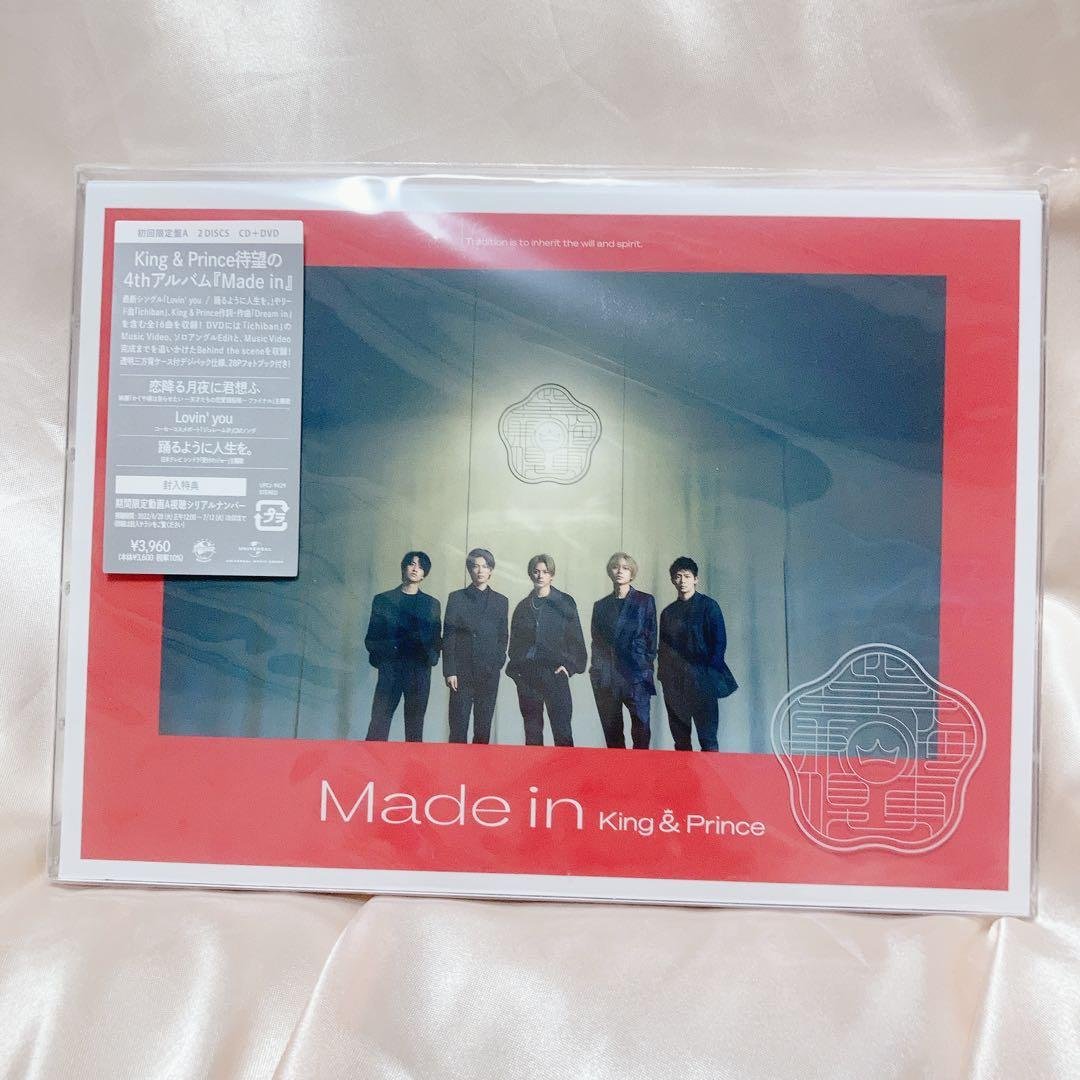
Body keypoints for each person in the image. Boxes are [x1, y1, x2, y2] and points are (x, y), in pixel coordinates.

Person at [506, 553, 587, 747]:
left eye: (545, 572)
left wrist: (569, 667)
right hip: (528, 676)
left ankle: (565, 769)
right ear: (530, 574)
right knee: (532, 735)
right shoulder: (523, 606)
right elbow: (514, 645)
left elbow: (576, 640)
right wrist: (519, 673)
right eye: (536, 571)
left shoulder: (565, 602)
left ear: (552, 575)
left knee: (563, 734)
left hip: (555, 673)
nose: (540, 576)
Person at [657, 556, 738, 752]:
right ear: (672, 580)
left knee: (708, 740)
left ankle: (709, 774)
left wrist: (708, 676)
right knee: (681, 743)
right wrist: (666, 681)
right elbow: (664, 650)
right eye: (678, 576)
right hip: (676, 686)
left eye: (687, 576)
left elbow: (719, 644)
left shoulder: (709, 606)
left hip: (703, 682)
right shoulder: (668, 613)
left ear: (696, 579)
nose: (682, 581)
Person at [364, 551, 441, 742]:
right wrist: (384, 661)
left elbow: (436, 638)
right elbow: (372, 637)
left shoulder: (431, 603)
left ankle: (412, 764)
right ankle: (371, 762)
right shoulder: (383, 599)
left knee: (415, 729)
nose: (415, 569)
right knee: (378, 724)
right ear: (404, 567)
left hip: (419, 672)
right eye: (412, 564)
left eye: (420, 567)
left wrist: (430, 659)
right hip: (391, 669)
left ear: (424, 574)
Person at [589, 552, 657, 749]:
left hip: (636, 675)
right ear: (610, 572)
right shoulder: (601, 606)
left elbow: (651, 638)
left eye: (625, 568)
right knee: (613, 737)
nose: (620, 571)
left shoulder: (645, 601)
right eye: (616, 567)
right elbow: (597, 643)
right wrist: (597, 672)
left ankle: (640, 770)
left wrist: (644, 667)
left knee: (641, 733)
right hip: (608, 678)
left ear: (632, 573)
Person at [442, 548, 509, 744]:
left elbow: (503, 636)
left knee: (483, 730)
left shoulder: (501, 601)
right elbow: (449, 636)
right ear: (469, 569)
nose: (480, 571)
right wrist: (450, 671)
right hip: (461, 674)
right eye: (475, 566)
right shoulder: (456, 598)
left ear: (491, 570)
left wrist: (497, 663)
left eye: (485, 566)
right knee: (458, 729)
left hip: (488, 674)